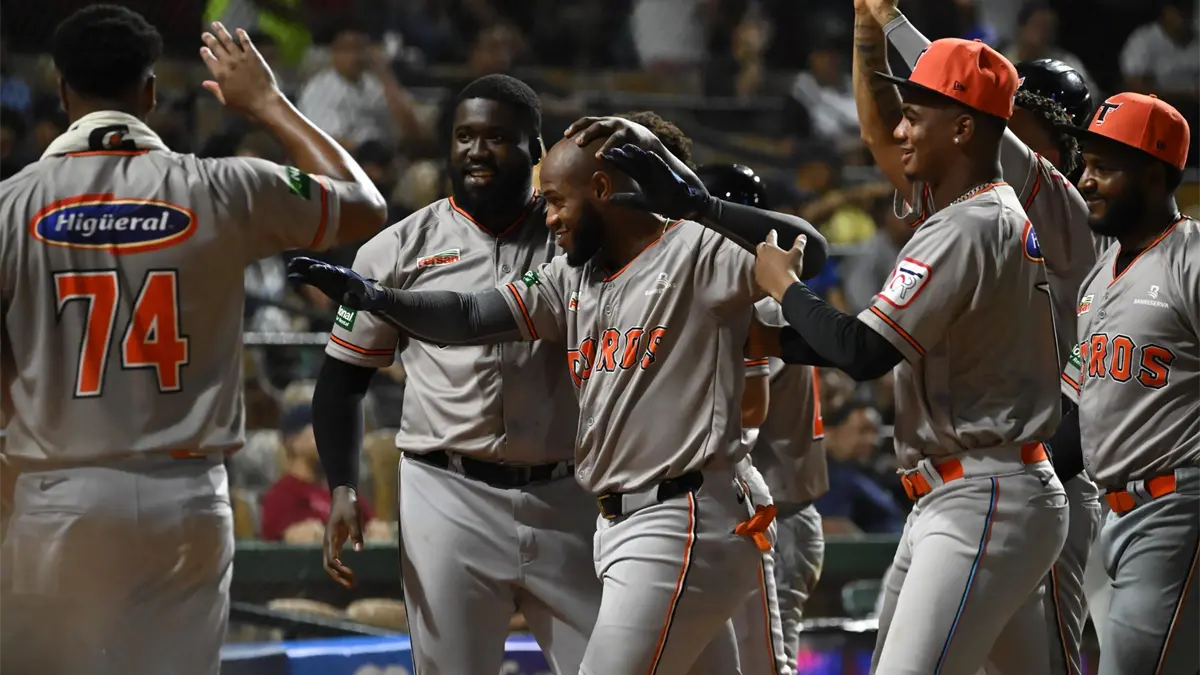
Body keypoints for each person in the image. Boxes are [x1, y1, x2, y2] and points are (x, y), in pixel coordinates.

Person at [291, 127, 828, 674]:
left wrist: (702, 205)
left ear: (601, 189)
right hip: (621, 522)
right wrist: (380, 298)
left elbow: (809, 252)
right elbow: (469, 315)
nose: (547, 219)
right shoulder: (569, 277)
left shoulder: (692, 248)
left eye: (555, 201)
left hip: (686, 510)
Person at [0, 7, 387, 674]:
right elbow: (363, 203)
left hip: (58, 492)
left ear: (62, 91)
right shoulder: (222, 185)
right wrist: (267, 102)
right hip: (187, 494)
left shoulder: (11, 203)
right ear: (150, 92)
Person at [754, 35, 1068, 675]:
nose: (900, 131)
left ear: (962, 128)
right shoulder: (989, 214)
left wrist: (785, 289)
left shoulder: (965, 225)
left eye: (914, 117)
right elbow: (872, 342)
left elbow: (864, 352)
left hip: (983, 494)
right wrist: (771, 340)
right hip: (984, 489)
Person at [309, 74, 603, 675]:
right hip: (448, 494)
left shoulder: (577, 239)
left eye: (496, 137)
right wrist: (342, 486)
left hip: (568, 492)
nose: (476, 151)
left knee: (615, 664)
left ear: (535, 148)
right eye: (464, 136)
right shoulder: (395, 248)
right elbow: (342, 380)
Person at [857, 1, 1104, 671]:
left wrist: (894, 24)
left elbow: (965, 97)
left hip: (1038, 468)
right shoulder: (974, 202)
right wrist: (871, 31)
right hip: (980, 477)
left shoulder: (1063, 211)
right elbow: (892, 130)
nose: (1008, 135)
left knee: (1048, 656)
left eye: (1023, 126)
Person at [1051, 92, 1199, 675]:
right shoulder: (1099, 276)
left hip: (1177, 506)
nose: (1086, 180)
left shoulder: (1191, 259)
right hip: (1116, 518)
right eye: (1086, 165)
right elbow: (1080, 418)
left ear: (1154, 174)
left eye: (1104, 168)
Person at [698, 163, 827, 675]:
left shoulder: (759, 294)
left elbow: (740, 408)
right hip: (777, 508)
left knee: (768, 665)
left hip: (778, 513)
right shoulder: (764, 283)